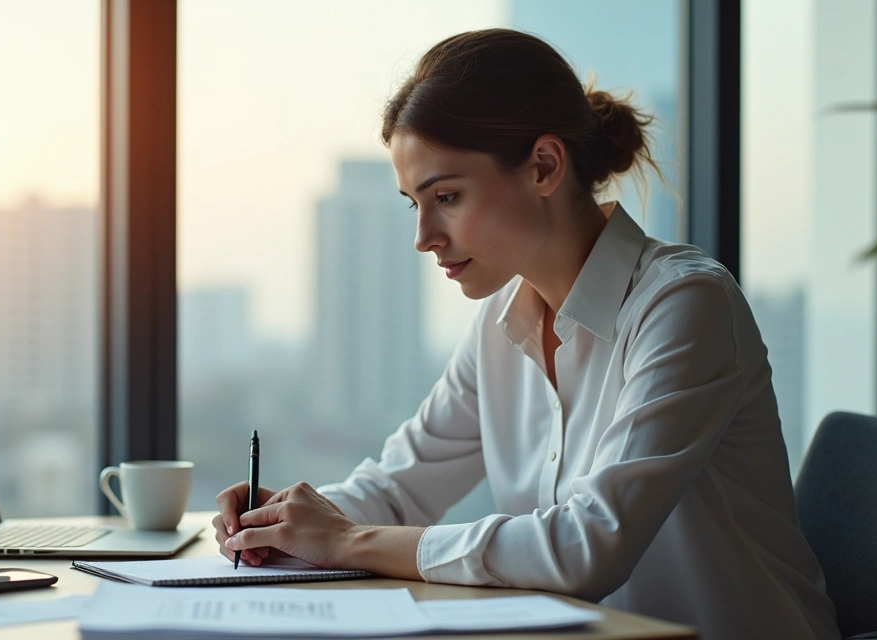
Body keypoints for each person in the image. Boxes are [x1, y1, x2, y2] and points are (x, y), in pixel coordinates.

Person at [212, 28, 838, 640]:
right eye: (414, 203)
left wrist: (347, 540)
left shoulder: (684, 304)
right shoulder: (499, 322)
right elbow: (401, 487)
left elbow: (587, 547)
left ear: (544, 166)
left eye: (447, 196)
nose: (423, 236)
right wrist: (284, 522)